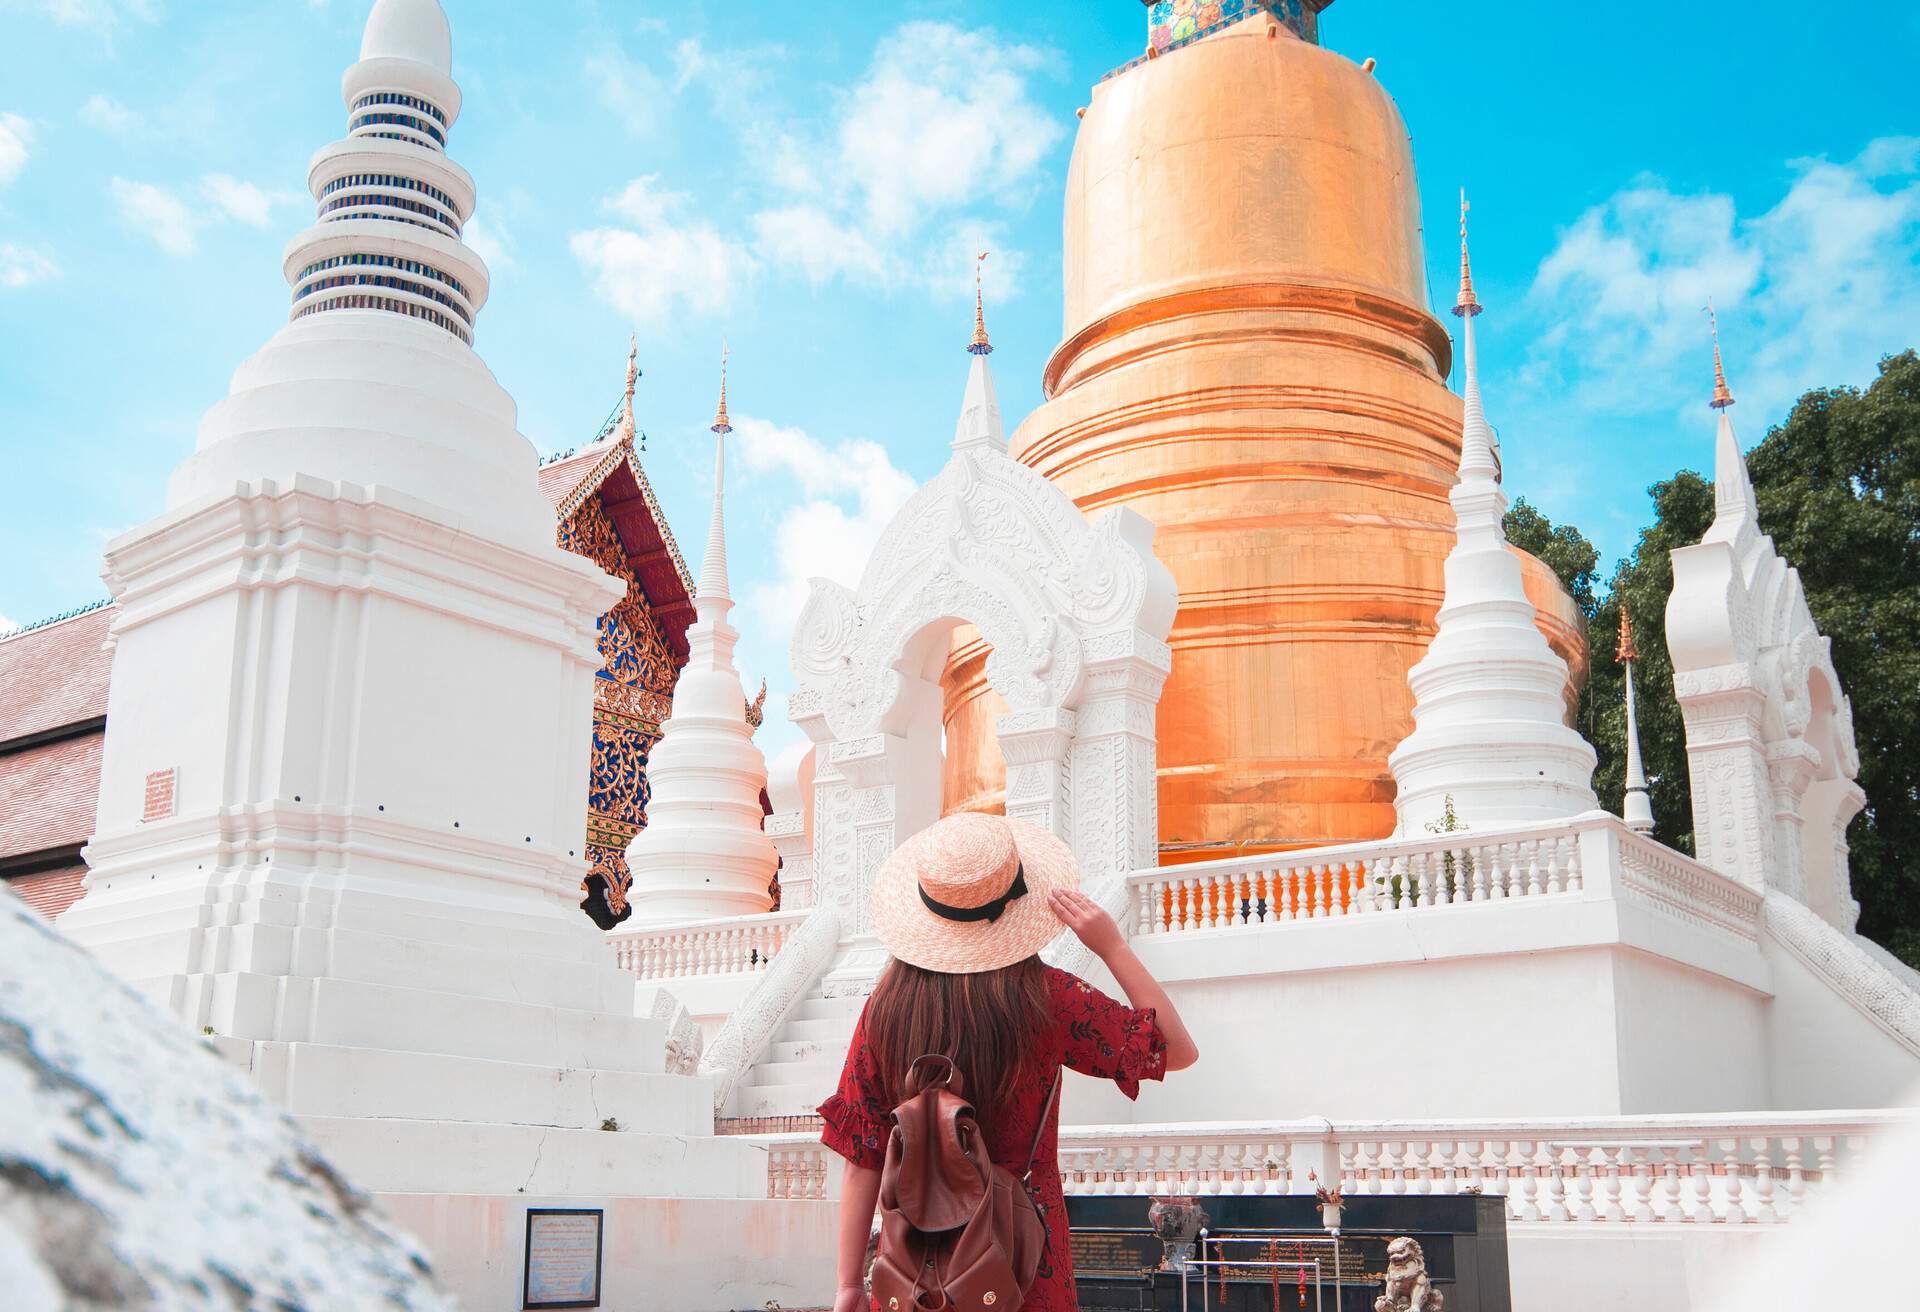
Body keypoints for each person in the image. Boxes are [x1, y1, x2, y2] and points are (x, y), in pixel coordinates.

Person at [819, 812, 1200, 1312]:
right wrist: (1111, 946)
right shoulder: (1048, 998)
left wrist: (849, 1285)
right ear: (1016, 904)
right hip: (1023, 1259)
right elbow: (1176, 1050)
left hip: (916, 1269)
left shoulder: (884, 1012)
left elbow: (863, 1162)